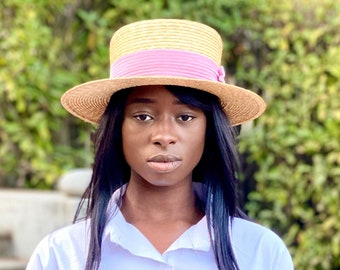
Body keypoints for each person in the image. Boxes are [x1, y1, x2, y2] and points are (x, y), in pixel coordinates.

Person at [26, 19, 294, 270]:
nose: (164, 135)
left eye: (185, 117)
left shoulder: (260, 252)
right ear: (116, 127)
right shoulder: (62, 254)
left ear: (209, 131)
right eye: (143, 116)